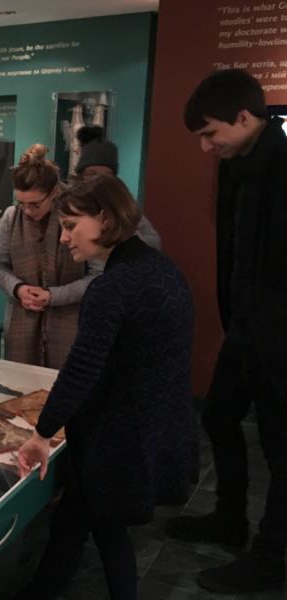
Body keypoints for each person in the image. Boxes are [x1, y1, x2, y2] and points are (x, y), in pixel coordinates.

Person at [16, 174, 196, 600]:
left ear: (105, 218)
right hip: (150, 426)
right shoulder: (158, 267)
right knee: (75, 521)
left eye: (71, 225)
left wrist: (43, 434)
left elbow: (82, 369)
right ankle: (42, 589)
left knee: (104, 528)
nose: (63, 238)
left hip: (117, 439)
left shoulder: (112, 287)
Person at [165, 68, 287, 594]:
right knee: (217, 415)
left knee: (283, 453)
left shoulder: (282, 166)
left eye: (210, 133)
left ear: (244, 117)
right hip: (246, 328)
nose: (206, 146)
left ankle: (269, 558)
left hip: (279, 338)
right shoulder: (240, 163)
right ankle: (230, 518)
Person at [0, 144, 100, 369]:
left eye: (35, 204)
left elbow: (97, 275)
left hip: (69, 323)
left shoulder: (77, 217)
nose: (27, 211)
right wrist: (18, 289)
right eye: (21, 203)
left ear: (55, 193)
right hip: (22, 323)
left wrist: (54, 296)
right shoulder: (11, 217)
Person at [74, 125, 162, 249]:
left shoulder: (123, 203)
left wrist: (120, 237)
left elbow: (154, 241)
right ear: (81, 175)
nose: (98, 180)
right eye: (92, 173)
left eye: (106, 175)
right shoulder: (71, 203)